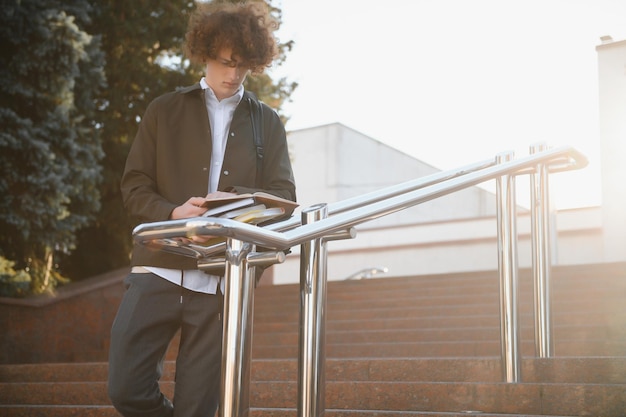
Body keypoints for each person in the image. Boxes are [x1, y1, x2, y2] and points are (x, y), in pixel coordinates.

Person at [107, 1, 296, 416]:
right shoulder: (164, 110)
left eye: (243, 65)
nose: (233, 75)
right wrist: (175, 212)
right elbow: (134, 187)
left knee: (199, 409)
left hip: (219, 283)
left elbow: (282, 199)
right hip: (157, 268)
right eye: (226, 62)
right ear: (205, 52)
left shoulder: (268, 123)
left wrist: (236, 224)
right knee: (125, 388)